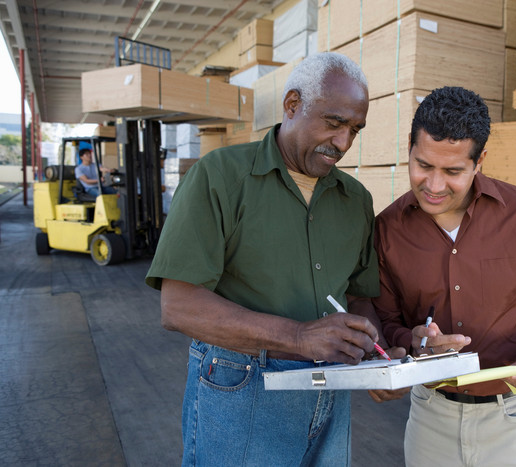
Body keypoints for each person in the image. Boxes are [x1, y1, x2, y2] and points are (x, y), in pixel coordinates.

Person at [145, 52, 399, 466]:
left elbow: (357, 297)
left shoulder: (356, 201)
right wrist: (299, 337)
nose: (344, 142)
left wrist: (381, 355)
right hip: (241, 385)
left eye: (355, 129)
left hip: (331, 387)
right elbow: (178, 306)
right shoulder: (220, 175)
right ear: (292, 105)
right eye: (334, 123)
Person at [371, 87, 516, 466]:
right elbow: (387, 319)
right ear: (409, 149)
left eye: (453, 171)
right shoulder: (387, 230)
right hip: (432, 415)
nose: (434, 185)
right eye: (423, 165)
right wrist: (410, 339)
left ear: (479, 163)